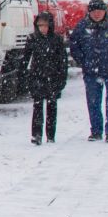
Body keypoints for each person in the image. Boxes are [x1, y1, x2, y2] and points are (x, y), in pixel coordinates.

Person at [68, 0, 108, 143]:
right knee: (93, 102)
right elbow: (74, 45)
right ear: (89, 12)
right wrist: (83, 61)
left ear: (105, 11)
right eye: (94, 11)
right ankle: (96, 131)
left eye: (100, 10)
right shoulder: (82, 27)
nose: (97, 14)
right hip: (91, 71)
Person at [23, 11, 68, 144]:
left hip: (53, 77)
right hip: (37, 77)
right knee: (37, 106)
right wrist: (25, 77)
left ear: (50, 25)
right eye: (40, 25)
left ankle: (51, 135)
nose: (42, 28)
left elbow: (63, 61)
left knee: (52, 107)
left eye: (45, 25)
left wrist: (62, 78)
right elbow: (26, 59)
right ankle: (36, 135)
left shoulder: (57, 39)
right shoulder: (32, 38)